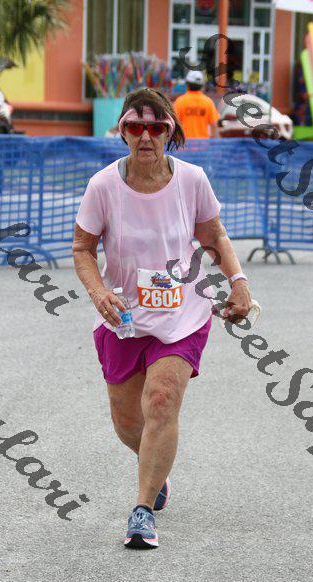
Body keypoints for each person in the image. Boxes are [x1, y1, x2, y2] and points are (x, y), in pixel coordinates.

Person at [72, 87, 252, 550]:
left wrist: (238, 281)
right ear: (123, 132)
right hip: (125, 317)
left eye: (156, 127)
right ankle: (156, 466)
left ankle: (142, 509)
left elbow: (213, 235)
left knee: (161, 400)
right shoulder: (103, 186)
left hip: (183, 312)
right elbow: (82, 248)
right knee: (127, 423)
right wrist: (98, 292)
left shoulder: (192, 180)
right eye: (135, 127)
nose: (146, 136)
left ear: (170, 130)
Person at [174, 70, 220, 139]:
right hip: (203, 144)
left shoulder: (179, 102)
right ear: (202, 85)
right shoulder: (208, 102)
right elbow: (214, 126)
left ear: (187, 84)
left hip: (185, 144)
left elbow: (174, 125)